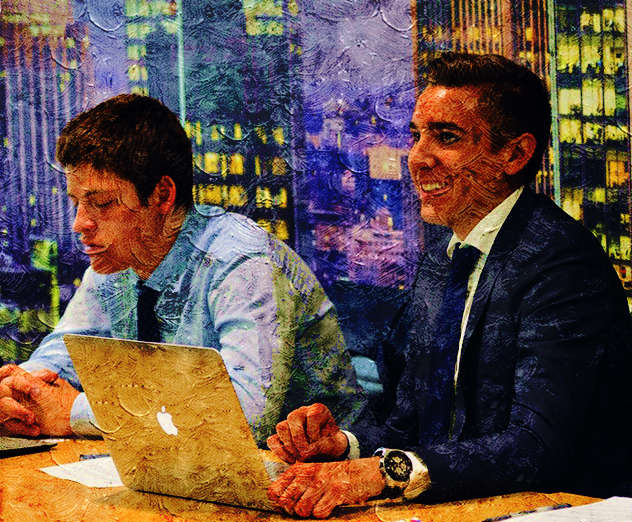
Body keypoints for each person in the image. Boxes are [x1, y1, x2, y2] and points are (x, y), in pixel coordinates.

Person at [266, 53, 632, 518]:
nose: (418, 159)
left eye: (446, 138)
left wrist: (378, 474)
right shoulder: (444, 258)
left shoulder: (562, 264)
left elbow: (535, 448)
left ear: (514, 155)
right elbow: (412, 428)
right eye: (416, 136)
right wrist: (342, 446)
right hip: (455, 517)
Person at [0, 94, 363, 445]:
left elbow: (247, 416)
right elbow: (61, 356)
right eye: (76, 202)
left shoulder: (242, 261)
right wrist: (20, 392)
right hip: (176, 463)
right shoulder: (118, 257)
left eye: (103, 203)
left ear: (162, 195)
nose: (79, 223)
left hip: (320, 470)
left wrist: (75, 412)